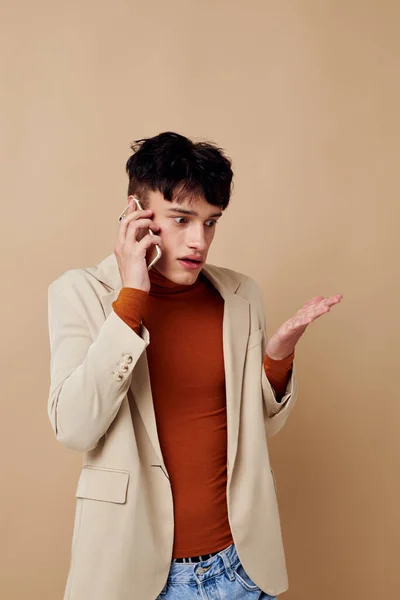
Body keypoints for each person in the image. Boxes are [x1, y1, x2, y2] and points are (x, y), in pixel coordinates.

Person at [47, 131, 342, 600]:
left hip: (241, 568)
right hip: (138, 575)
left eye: (210, 222)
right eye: (181, 219)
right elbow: (75, 428)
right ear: (135, 215)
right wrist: (131, 299)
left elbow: (258, 429)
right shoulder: (80, 294)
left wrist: (277, 357)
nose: (198, 240)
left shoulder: (240, 296)